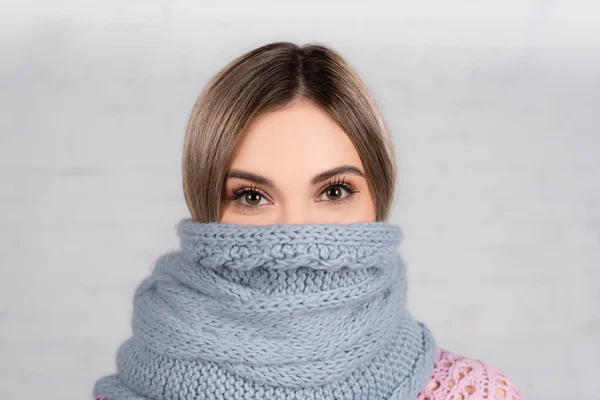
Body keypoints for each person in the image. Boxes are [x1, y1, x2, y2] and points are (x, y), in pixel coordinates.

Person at [93, 42, 523, 400]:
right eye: (252, 196)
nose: (295, 233)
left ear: (379, 199)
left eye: (334, 192)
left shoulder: (473, 393)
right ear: (205, 205)